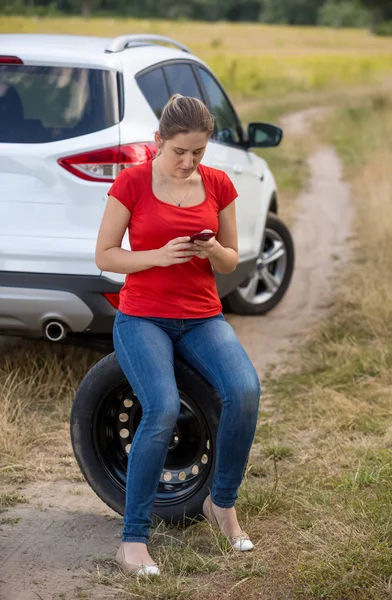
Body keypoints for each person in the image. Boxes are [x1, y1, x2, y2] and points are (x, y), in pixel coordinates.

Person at [95, 94, 261, 577]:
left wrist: (211, 250)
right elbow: (105, 256)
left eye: (198, 153)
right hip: (143, 317)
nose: (189, 162)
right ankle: (133, 541)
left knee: (244, 390)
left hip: (202, 316)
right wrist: (156, 256)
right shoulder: (131, 183)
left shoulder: (218, 184)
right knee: (162, 407)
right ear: (157, 142)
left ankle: (221, 504)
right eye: (179, 152)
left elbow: (232, 259)